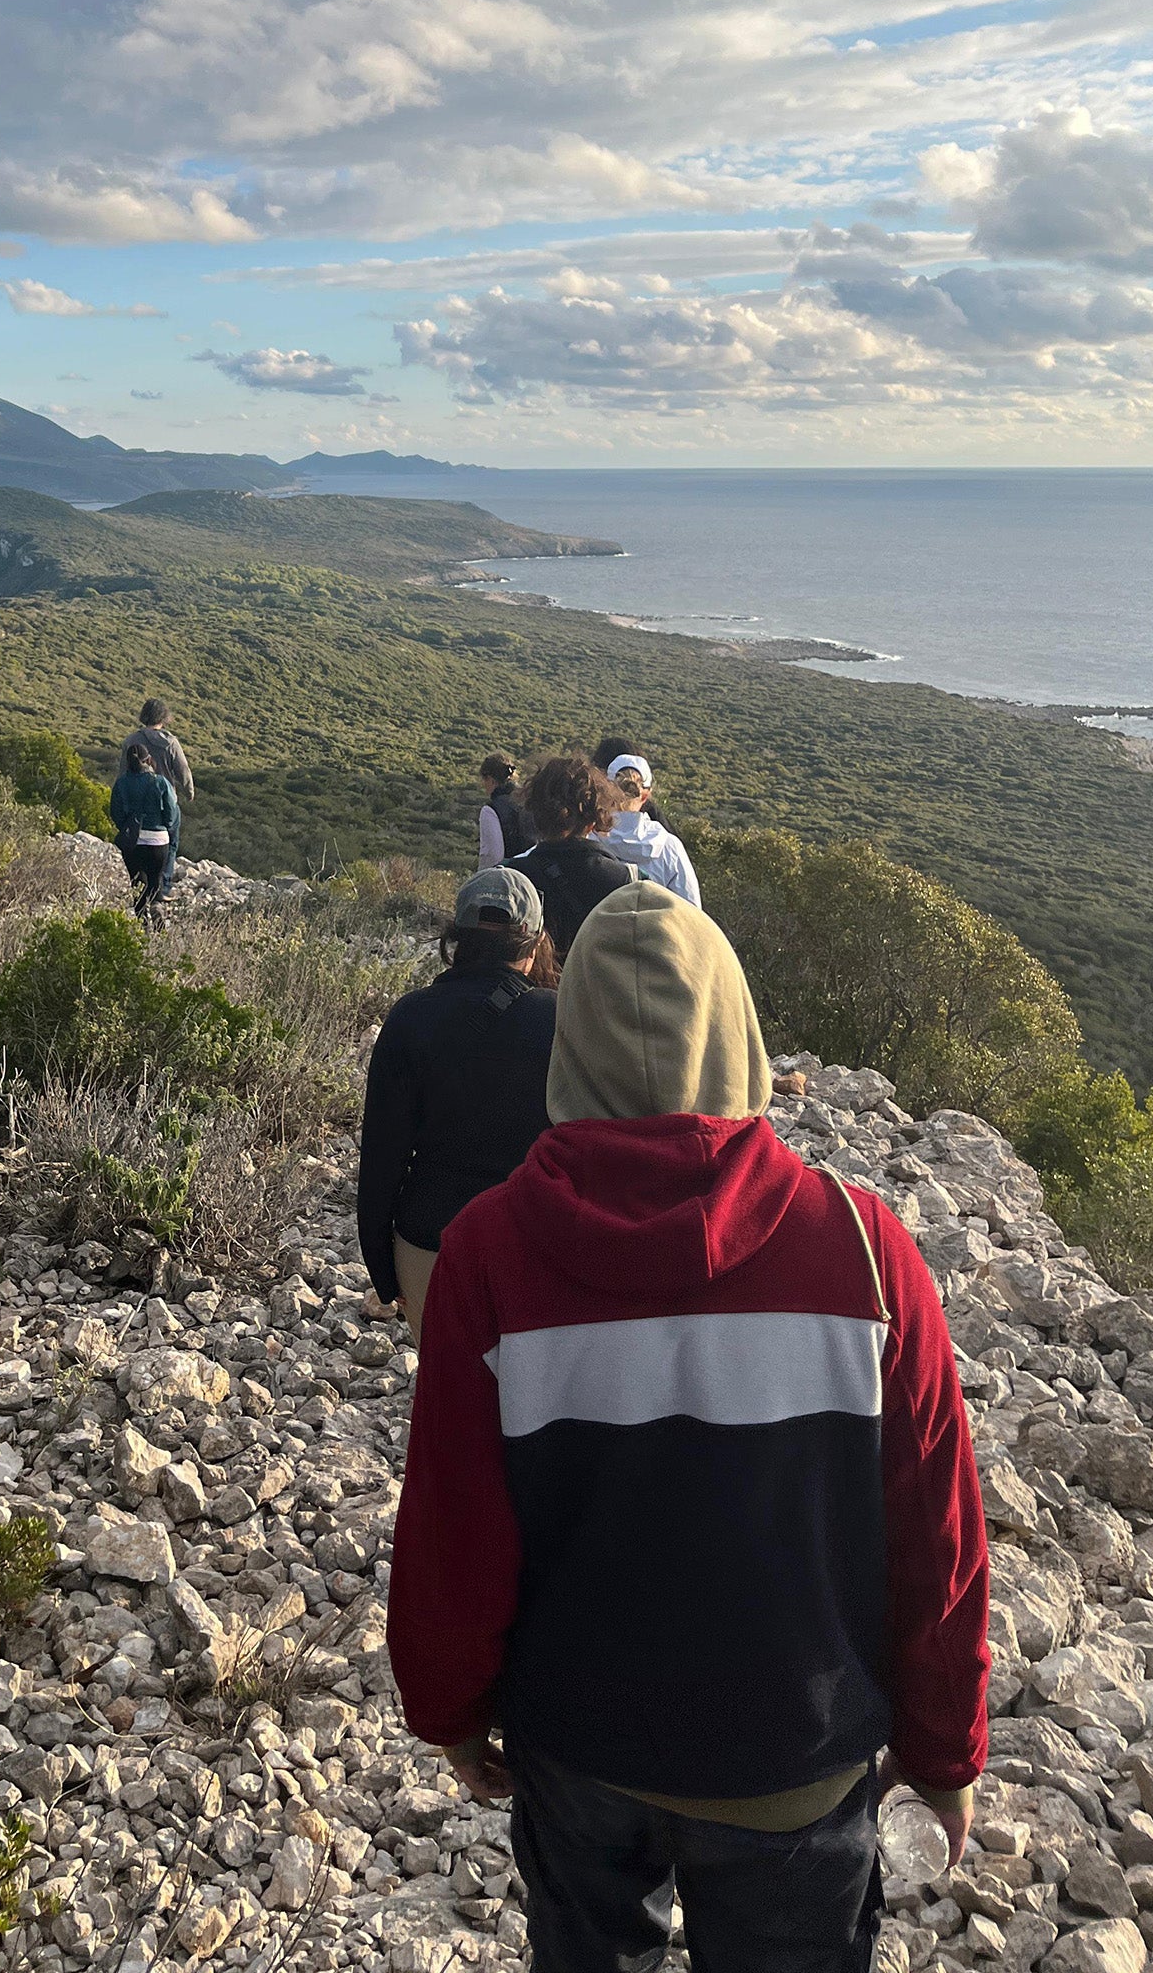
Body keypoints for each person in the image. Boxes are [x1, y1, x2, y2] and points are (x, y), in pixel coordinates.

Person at [386, 883, 988, 1973]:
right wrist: (945, 1749)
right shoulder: (861, 1248)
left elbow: (453, 1526)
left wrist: (452, 1710)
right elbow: (935, 1534)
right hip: (796, 1756)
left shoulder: (488, 1254)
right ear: (740, 1028)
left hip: (578, 1746)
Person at [357, 867, 559, 1336]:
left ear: (457, 938)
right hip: (532, 1242)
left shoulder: (410, 1016)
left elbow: (382, 1160)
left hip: (429, 1242)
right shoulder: (559, 1018)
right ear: (533, 946)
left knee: (447, 1392)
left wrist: (384, 1276)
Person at [512, 756, 636, 962]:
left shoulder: (512, 877)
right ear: (594, 820)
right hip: (595, 992)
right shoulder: (625, 881)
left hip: (527, 990)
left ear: (536, 813)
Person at [601, 754, 701, 909]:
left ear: (607, 789)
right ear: (646, 795)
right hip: (655, 932)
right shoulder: (669, 847)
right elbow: (692, 910)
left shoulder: (590, 837)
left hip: (597, 931)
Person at [108, 740, 179, 925]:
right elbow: (171, 813)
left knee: (137, 881)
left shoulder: (121, 783)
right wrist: (165, 826)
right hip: (158, 840)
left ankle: (141, 923)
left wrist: (127, 828)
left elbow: (115, 812)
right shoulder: (160, 782)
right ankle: (156, 907)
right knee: (155, 879)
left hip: (133, 841)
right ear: (148, 760)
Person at [128, 699, 193, 896]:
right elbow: (182, 770)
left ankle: (141, 886)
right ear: (164, 718)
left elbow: (123, 772)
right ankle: (162, 887)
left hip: (136, 798)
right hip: (166, 800)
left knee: (137, 841)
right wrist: (189, 790)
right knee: (170, 842)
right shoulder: (170, 742)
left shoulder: (131, 741)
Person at [476, 753, 533, 869]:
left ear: (491, 780)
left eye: (484, 780)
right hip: (536, 872)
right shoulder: (531, 801)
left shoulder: (490, 810)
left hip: (509, 876)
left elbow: (492, 856)